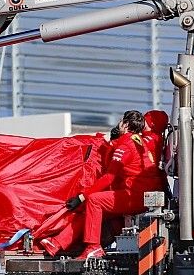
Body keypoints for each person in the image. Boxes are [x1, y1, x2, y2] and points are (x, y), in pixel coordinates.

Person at [39, 110, 164, 259]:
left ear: (125, 124)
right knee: (93, 210)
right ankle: (58, 242)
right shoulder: (140, 141)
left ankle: (93, 247)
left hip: (134, 196)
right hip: (140, 195)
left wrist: (82, 196)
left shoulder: (126, 146)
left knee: (94, 201)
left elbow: (109, 177)